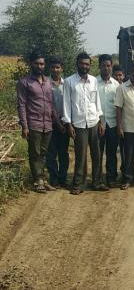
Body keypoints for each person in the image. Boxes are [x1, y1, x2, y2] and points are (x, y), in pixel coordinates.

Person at [63, 52, 106, 195]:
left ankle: (97, 182)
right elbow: (66, 104)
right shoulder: (69, 81)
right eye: (82, 63)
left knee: (97, 154)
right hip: (79, 124)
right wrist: (68, 124)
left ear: (90, 65)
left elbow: (96, 100)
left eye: (87, 64)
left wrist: (101, 120)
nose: (84, 66)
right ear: (77, 64)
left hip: (94, 122)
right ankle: (77, 184)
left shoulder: (93, 80)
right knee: (80, 156)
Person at [17, 50, 56, 193]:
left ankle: (43, 179)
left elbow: (52, 104)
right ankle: (37, 181)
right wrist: (24, 126)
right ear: (31, 64)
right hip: (33, 123)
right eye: (37, 64)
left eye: (42, 64)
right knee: (35, 153)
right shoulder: (24, 82)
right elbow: (21, 105)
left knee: (44, 153)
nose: (40, 66)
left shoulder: (48, 82)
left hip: (48, 124)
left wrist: (56, 121)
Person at [46, 56, 69, 188]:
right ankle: (53, 178)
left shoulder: (66, 84)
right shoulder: (46, 84)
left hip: (64, 123)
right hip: (50, 123)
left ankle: (63, 178)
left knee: (63, 152)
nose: (55, 69)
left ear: (62, 69)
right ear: (50, 68)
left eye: (58, 67)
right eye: (53, 67)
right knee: (51, 152)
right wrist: (57, 123)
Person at [97, 54, 120, 186]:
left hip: (112, 124)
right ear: (100, 66)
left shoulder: (116, 85)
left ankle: (111, 178)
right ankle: (98, 178)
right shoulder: (93, 82)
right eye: (104, 65)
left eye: (109, 66)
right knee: (97, 153)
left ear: (111, 67)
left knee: (112, 153)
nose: (106, 68)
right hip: (98, 124)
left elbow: (118, 107)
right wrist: (100, 121)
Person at [113, 64, 126, 175]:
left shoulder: (126, 87)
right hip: (111, 123)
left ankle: (124, 169)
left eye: (120, 75)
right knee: (112, 150)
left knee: (123, 149)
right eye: (116, 75)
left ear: (124, 76)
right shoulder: (112, 86)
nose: (118, 78)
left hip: (124, 123)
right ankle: (111, 174)